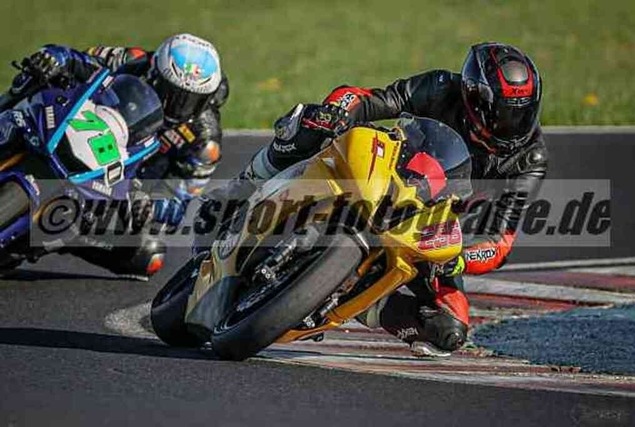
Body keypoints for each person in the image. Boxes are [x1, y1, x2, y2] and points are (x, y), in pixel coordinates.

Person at [199, 42, 547, 355]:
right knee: (307, 128)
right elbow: (371, 98)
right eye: (504, 112)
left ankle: (352, 300)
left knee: (450, 327)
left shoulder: (529, 159)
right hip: (390, 166)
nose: (513, 124)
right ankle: (241, 190)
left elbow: (499, 240)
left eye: (522, 112)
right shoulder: (442, 87)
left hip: (431, 222)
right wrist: (336, 111)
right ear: (475, 98)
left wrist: (459, 258)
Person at [0, 33, 229, 280]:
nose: (175, 106)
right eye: (170, 92)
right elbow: (81, 59)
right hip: (83, 125)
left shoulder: (205, 141)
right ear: (155, 73)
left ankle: (31, 243)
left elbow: (180, 202)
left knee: (148, 256)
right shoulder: (133, 60)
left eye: (189, 100)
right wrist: (55, 58)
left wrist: (150, 204)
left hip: (121, 188)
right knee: (34, 78)